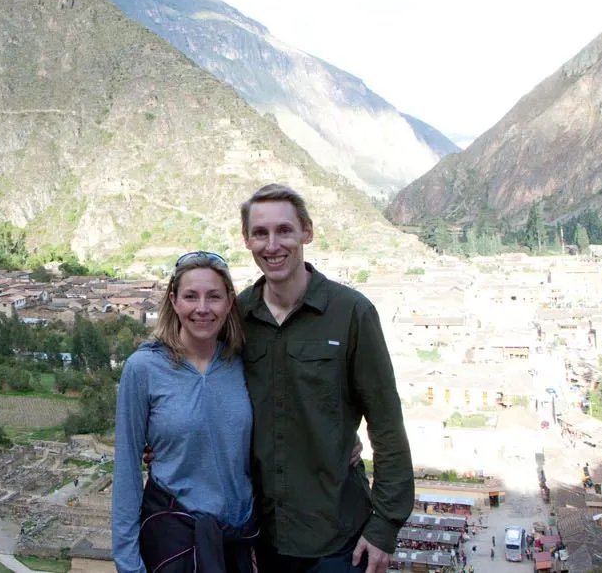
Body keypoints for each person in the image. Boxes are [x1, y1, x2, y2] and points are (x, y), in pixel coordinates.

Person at [237, 183, 414, 573]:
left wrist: (385, 526)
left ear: (307, 232)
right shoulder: (237, 316)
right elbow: (202, 385)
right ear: (246, 240)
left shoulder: (352, 313)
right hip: (257, 535)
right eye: (260, 233)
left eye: (284, 230)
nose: (272, 245)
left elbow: (386, 422)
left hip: (337, 539)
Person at [112, 251, 258, 573]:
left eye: (214, 297)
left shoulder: (244, 363)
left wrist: (344, 437)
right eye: (191, 296)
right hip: (177, 540)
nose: (202, 308)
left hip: (240, 535)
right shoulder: (144, 369)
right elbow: (126, 469)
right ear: (174, 301)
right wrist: (127, 562)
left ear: (229, 302)